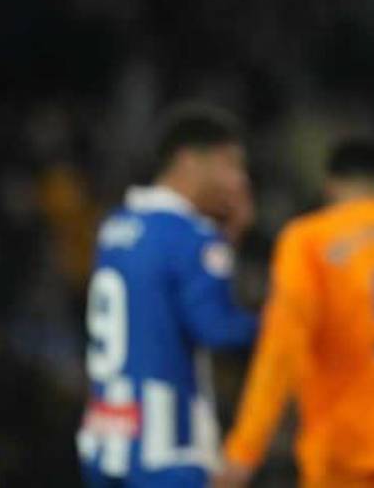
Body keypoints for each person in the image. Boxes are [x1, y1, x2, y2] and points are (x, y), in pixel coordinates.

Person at [212, 134, 374, 488]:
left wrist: (244, 451)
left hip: (340, 459)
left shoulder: (308, 240)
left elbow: (281, 348)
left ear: (331, 187)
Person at [78, 102, 259, 488]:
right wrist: (283, 322)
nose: (239, 182)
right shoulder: (191, 236)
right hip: (166, 448)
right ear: (190, 161)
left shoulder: (117, 225)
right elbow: (217, 329)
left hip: (106, 433)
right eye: (230, 165)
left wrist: (224, 244)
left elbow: (155, 305)